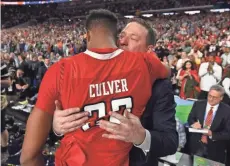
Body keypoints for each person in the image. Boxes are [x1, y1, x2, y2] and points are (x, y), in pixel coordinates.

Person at [20, 9, 170, 166]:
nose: (125, 41)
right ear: (115, 36)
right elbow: (167, 70)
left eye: (133, 38)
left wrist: (142, 137)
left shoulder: (61, 70)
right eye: (124, 36)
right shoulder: (146, 64)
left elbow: (28, 157)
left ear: (88, 35)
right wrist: (56, 127)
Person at [187, 85, 230, 163]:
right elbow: (190, 118)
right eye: (209, 96)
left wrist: (212, 134)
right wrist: (193, 123)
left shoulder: (228, 112)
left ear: (221, 98)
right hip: (197, 145)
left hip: (215, 150)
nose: (211, 99)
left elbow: (228, 133)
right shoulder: (198, 104)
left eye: (215, 97)